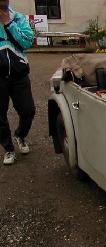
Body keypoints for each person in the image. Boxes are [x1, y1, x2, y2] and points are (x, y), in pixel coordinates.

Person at [0, 0, 35, 165]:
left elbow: (27, 42)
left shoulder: (18, 18)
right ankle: (8, 149)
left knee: (28, 111)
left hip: (19, 75)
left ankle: (20, 135)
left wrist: (8, 23)